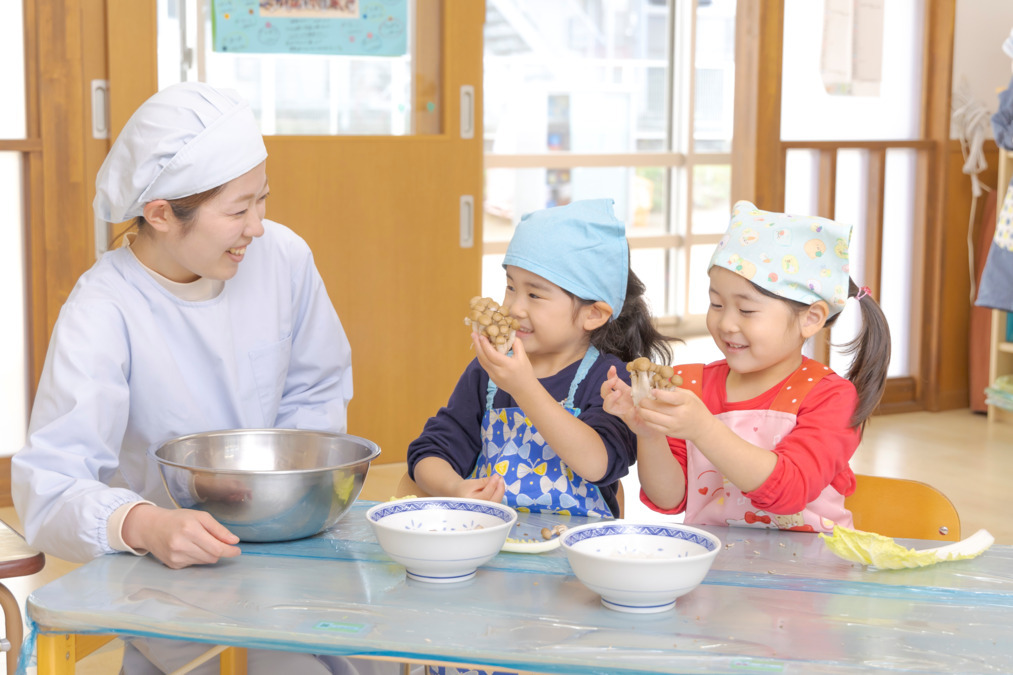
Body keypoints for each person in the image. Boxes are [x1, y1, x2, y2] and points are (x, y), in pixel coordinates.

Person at [11, 82, 391, 675]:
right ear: (160, 214)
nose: (258, 227)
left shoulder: (283, 258)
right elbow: (52, 485)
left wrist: (291, 494)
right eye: (238, 210)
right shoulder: (105, 309)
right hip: (176, 571)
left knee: (385, 649)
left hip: (297, 543)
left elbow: (315, 389)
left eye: (263, 199)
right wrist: (145, 524)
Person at [602, 200, 891, 532]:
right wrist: (649, 433)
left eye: (746, 310)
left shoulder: (831, 397)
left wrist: (703, 428)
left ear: (810, 319)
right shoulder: (691, 384)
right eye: (716, 304)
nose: (726, 323)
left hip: (811, 575)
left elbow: (789, 491)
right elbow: (669, 499)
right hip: (714, 569)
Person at [406, 198, 673, 519]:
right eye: (510, 287)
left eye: (534, 294)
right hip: (491, 542)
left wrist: (523, 387)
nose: (515, 307)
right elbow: (431, 450)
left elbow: (598, 465)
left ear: (593, 314)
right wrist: (454, 488)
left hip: (577, 555)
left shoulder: (609, 379)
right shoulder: (487, 372)